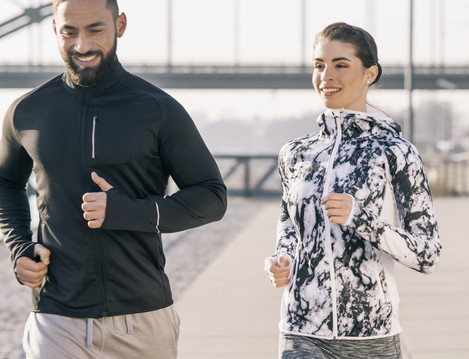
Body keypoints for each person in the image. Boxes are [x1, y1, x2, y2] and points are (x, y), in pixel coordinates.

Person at [0, 0, 227, 358]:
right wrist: (19, 249)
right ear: (54, 30)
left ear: (120, 24)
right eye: (69, 32)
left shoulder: (157, 108)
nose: (82, 46)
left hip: (142, 320)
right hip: (56, 318)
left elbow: (212, 197)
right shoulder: (27, 111)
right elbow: (6, 184)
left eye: (95, 29)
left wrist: (129, 212)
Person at [264, 22, 441, 359]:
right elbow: (289, 223)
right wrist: (282, 258)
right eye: (319, 65)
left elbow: (427, 254)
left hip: (372, 334)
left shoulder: (395, 152)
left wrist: (361, 219)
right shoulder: (296, 153)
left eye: (340, 65)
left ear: (369, 74)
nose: (326, 75)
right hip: (300, 331)